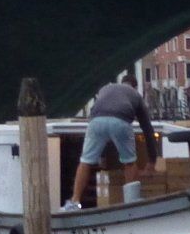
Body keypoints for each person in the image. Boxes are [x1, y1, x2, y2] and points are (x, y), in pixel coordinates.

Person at [65, 73, 156, 210]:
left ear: (122, 82)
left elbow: (96, 108)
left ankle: (74, 201)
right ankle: (131, 203)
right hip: (120, 121)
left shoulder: (105, 89)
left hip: (96, 121)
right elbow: (147, 130)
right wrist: (152, 161)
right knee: (129, 162)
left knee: (85, 161)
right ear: (135, 87)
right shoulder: (136, 95)